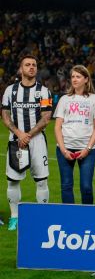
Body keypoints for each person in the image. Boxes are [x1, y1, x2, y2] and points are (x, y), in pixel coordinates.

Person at [1, 55, 52, 231]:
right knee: (13, 181)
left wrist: (28, 135)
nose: (31, 67)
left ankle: (43, 216)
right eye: (27, 65)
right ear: (21, 69)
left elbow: (46, 118)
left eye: (34, 65)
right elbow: (5, 115)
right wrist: (18, 133)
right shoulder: (10, 91)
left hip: (36, 141)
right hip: (16, 140)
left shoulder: (44, 91)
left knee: (41, 181)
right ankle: (15, 217)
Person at [54, 65, 95, 204]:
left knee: (86, 187)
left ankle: (87, 218)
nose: (74, 79)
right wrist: (64, 150)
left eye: (78, 76)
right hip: (65, 149)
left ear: (86, 79)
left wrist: (87, 149)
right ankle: (69, 218)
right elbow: (57, 127)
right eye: (72, 77)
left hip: (87, 149)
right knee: (66, 186)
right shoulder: (64, 99)